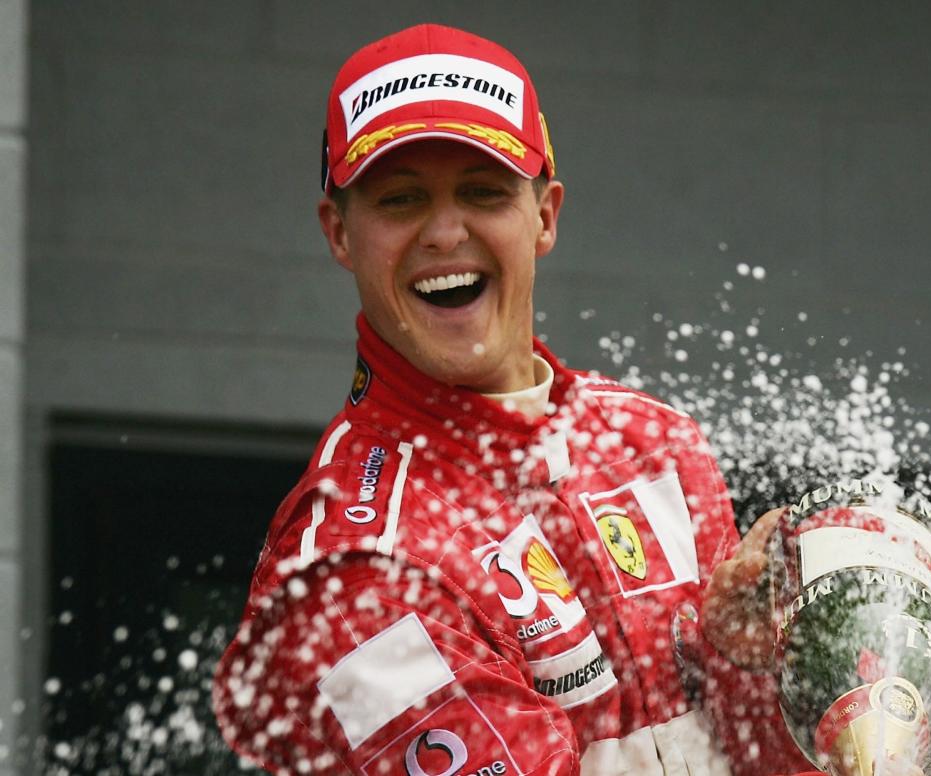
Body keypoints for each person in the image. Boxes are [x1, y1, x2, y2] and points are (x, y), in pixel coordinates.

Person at [212, 23, 815, 776]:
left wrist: (749, 666)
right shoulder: (354, 567)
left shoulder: (653, 443)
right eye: (400, 200)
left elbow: (757, 753)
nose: (443, 232)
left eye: (482, 192)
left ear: (545, 216)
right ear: (340, 233)